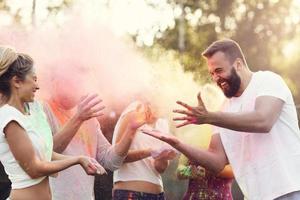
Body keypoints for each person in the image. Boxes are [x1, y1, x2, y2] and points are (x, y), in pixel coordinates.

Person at [143, 39, 300, 200]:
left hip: (290, 191)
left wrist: (210, 117)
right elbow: (217, 161)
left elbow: (263, 121)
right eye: (212, 73)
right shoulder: (224, 109)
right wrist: (177, 144)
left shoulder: (267, 81)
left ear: (238, 64)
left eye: (219, 70)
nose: (216, 78)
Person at [0, 46, 105, 200]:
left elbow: (46, 154)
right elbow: (34, 169)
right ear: (16, 81)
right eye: (33, 79)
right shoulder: (9, 117)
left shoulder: (28, 114)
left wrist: (83, 159)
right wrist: (76, 160)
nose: (37, 86)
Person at [40, 66, 147, 200]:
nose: (77, 87)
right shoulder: (42, 109)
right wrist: (78, 118)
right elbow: (47, 154)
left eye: (79, 83)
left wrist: (130, 132)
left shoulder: (88, 117)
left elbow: (111, 161)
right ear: (55, 82)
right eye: (71, 82)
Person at [112, 101, 177, 200]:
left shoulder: (163, 123)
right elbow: (116, 157)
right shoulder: (134, 111)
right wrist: (150, 151)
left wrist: (163, 156)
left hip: (158, 195)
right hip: (130, 194)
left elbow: (161, 169)